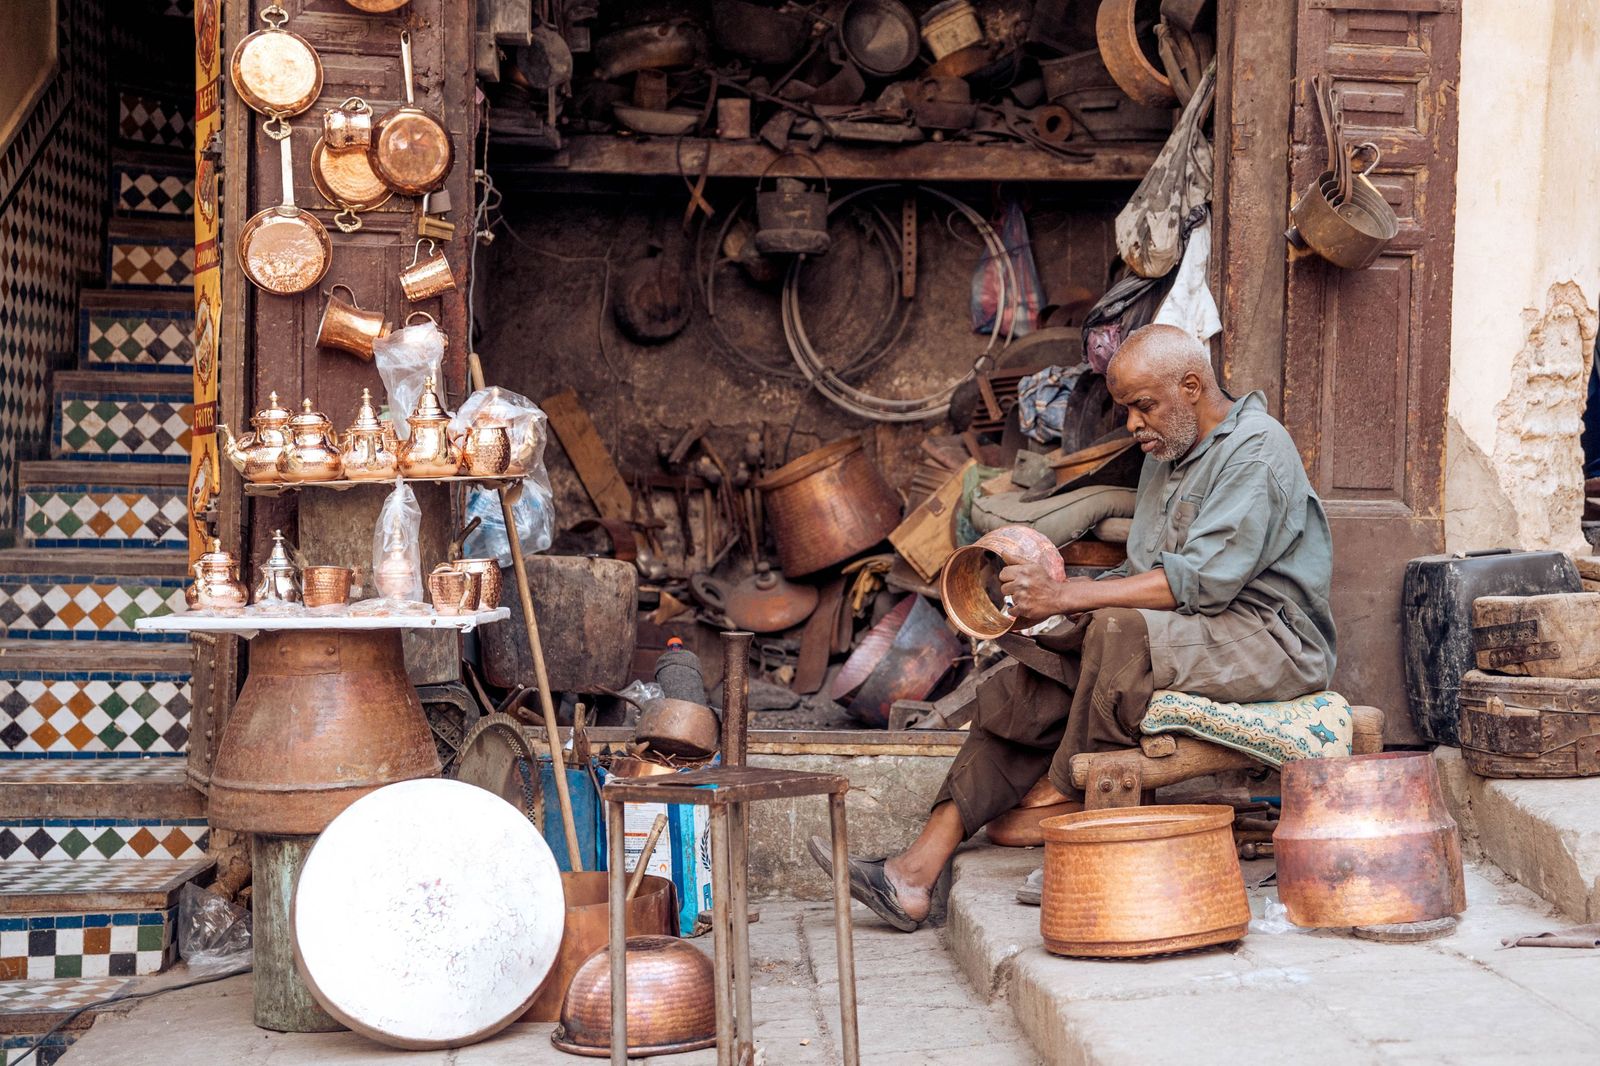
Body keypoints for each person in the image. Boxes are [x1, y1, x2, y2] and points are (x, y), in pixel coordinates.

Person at [809, 323, 1337, 931]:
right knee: (1036, 664)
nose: (1133, 424)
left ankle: (1072, 815)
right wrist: (1054, 610)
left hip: (1272, 639)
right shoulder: (1167, 451)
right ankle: (913, 874)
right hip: (1193, 629)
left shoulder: (1256, 449)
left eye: (1143, 406)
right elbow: (1147, 571)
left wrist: (1069, 594)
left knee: (1112, 632)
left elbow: (1200, 583)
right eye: (1127, 410)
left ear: (1191, 386)